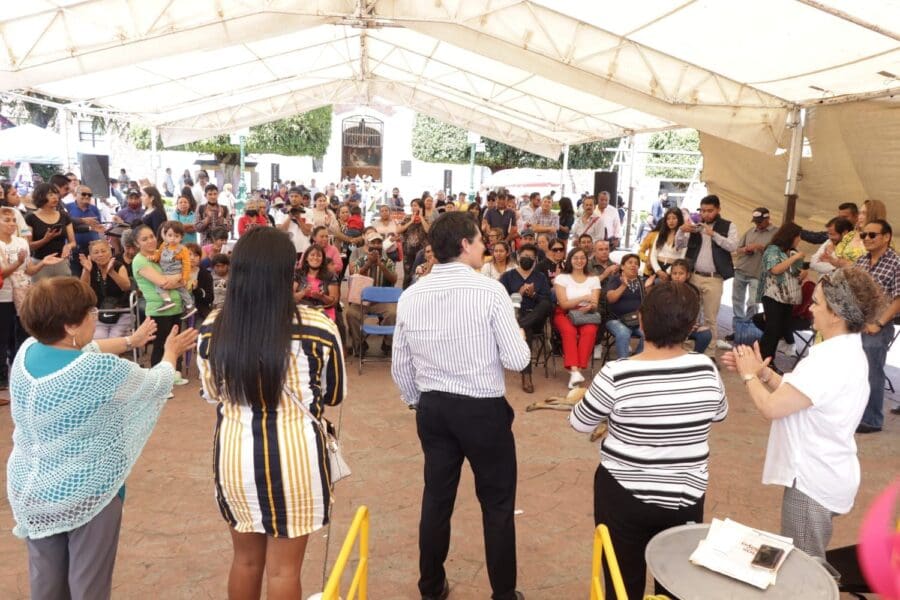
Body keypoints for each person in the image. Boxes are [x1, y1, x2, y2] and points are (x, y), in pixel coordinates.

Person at [6, 277, 196, 600]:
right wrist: (170, 353)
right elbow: (157, 383)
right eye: (90, 313)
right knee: (88, 585)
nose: (95, 317)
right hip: (86, 491)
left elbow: (86, 349)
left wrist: (131, 341)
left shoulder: (27, 352)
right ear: (70, 325)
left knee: (46, 583)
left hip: (31, 491)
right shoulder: (100, 371)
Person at [196, 227, 345, 600]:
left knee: (245, 562)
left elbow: (212, 393)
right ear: (286, 273)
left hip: (235, 455)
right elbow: (334, 394)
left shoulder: (212, 327)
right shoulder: (319, 327)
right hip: (297, 459)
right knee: (284, 571)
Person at [392, 211, 530, 600]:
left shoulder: (412, 294)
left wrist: (417, 401)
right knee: (497, 504)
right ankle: (504, 594)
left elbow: (400, 365)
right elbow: (517, 359)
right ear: (465, 244)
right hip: (483, 410)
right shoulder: (490, 291)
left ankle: (430, 587)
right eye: (480, 240)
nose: (485, 246)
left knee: (437, 499)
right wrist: (519, 336)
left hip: (434, 409)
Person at [570, 282, 727, 600]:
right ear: (691, 327)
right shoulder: (707, 369)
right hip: (686, 497)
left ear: (640, 320)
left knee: (623, 582)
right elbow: (719, 413)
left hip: (624, 496)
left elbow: (579, 422)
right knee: (675, 583)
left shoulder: (616, 373)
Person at [723, 267, 884, 558]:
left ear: (836, 314)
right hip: (827, 472)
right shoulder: (846, 351)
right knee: (805, 558)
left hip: (813, 482)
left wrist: (748, 375)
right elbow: (802, 395)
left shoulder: (829, 359)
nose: (810, 308)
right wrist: (763, 374)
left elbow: (772, 407)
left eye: (817, 302)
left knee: (804, 566)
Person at [854, 219, 900, 432]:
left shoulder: (896, 263)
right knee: (855, 370)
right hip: (857, 323)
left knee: (872, 371)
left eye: (872, 235)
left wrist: (879, 324)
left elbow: (898, 299)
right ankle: (853, 414)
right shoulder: (861, 261)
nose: (866, 239)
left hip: (878, 327)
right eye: (864, 235)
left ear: (887, 237)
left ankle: (872, 420)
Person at [677, 194, 738, 353]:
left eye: (710, 211)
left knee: (710, 318)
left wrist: (714, 235)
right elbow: (679, 245)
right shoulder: (696, 226)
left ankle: (709, 353)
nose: (705, 214)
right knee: (691, 315)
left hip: (714, 278)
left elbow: (733, 246)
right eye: (703, 210)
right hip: (694, 275)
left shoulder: (728, 226)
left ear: (718, 209)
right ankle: (688, 351)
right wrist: (681, 231)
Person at [131, 224, 186, 366]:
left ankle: (176, 374)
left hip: (176, 307)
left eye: (151, 236)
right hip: (159, 310)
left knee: (175, 347)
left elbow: (182, 271)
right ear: (137, 243)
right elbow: (163, 283)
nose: (150, 241)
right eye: (144, 239)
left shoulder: (160, 254)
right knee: (161, 347)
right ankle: (159, 377)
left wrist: (179, 278)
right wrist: (180, 278)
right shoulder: (139, 260)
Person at [500, 243, 552, 394]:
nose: (527, 259)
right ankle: (526, 376)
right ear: (518, 257)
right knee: (526, 329)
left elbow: (546, 299)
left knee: (546, 305)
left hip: (535, 317)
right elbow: (500, 299)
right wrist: (519, 293)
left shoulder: (540, 277)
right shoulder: (508, 276)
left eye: (530, 257)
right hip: (515, 315)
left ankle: (519, 326)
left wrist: (533, 294)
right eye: (524, 256)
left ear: (535, 260)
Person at [757, 222, 807, 363]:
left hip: (788, 297)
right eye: (798, 236)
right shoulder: (772, 250)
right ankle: (764, 360)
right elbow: (775, 269)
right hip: (773, 295)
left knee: (779, 329)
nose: (800, 239)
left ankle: (767, 360)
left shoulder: (792, 251)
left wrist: (802, 273)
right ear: (791, 236)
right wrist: (794, 258)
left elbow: (795, 272)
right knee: (772, 329)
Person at [553, 248, 601, 388]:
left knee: (590, 331)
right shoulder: (562, 278)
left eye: (582, 258)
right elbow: (564, 304)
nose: (579, 261)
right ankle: (574, 370)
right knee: (570, 332)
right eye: (575, 258)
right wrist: (583, 298)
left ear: (587, 260)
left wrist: (591, 306)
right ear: (570, 260)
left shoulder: (594, 279)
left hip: (587, 314)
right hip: (564, 313)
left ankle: (576, 372)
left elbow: (595, 303)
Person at [730, 207, 777, 344]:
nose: (757, 224)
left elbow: (777, 254)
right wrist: (746, 249)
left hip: (759, 274)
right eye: (755, 222)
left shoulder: (776, 233)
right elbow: (737, 250)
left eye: (760, 222)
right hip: (741, 269)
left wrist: (760, 247)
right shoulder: (750, 231)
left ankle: (747, 329)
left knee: (753, 303)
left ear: (768, 219)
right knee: (737, 301)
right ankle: (737, 330)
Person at [346, 231, 397, 355]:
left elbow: (394, 279)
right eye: (373, 242)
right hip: (362, 301)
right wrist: (368, 264)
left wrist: (381, 265)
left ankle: (387, 344)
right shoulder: (360, 260)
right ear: (368, 244)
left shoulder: (388, 262)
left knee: (392, 313)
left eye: (379, 243)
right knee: (351, 314)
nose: (376, 245)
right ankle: (360, 344)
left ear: (381, 245)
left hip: (382, 301)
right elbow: (354, 276)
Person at [78, 239, 133, 340]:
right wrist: (86, 271)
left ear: (110, 252)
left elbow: (126, 287)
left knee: (115, 339)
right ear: (91, 256)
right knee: (98, 339)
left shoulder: (119, 266)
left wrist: (111, 272)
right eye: (96, 252)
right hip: (98, 313)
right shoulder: (89, 266)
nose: (100, 255)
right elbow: (83, 290)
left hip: (121, 312)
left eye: (103, 251)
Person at [25, 183, 77, 280]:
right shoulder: (30, 218)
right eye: (50, 194)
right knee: (41, 289)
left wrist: (68, 246)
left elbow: (73, 242)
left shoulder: (64, 215)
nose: (55, 197)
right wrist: (45, 239)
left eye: (56, 194)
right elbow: (28, 245)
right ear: (40, 196)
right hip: (40, 263)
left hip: (61, 262)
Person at [151, 221, 197, 317]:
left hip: (175, 274)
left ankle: (168, 301)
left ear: (181, 237)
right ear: (165, 235)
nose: (173, 238)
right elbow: (158, 255)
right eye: (170, 235)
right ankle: (189, 306)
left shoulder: (183, 249)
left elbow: (187, 265)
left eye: (176, 236)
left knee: (160, 285)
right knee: (181, 289)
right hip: (166, 272)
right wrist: (154, 257)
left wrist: (185, 278)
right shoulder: (163, 245)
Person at [605, 253, 646, 359]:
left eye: (636, 263)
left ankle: (636, 360)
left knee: (651, 333)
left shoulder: (641, 282)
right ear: (622, 266)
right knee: (623, 333)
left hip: (636, 320)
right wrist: (623, 285)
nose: (633, 265)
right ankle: (623, 363)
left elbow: (645, 304)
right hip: (616, 319)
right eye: (630, 262)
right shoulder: (615, 279)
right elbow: (611, 299)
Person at [669, 259, 712, 354]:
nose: (677, 276)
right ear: (670, 274)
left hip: (686, 325)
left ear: (688, 275)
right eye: (674, 273)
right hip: (668, 326)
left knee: (705, 334)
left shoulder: (693, 290)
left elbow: (694, 311)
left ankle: (695, 357)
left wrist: (692, 324)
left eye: (681, 273)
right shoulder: (665, 289)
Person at [294, 245, 339, 321]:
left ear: (323, 259)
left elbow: (334, 301)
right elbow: (290, 298)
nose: (315, 258)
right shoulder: (298, 274)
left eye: (319, 256)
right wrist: (303, 292)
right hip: (302, 311)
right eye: (312, 255)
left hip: (324, 312)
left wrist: (322, 297)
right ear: (306, 258)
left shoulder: (330, 276)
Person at [398, 198, 430, 288]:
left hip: (422, 252)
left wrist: (421, 217)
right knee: (408, 274)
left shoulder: (426, 219)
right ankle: (405, 292)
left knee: (420, 272)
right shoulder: (407, 218)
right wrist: (411, 221)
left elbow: (428, 231)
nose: (413, 207)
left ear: (421, 208)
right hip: (408, 251)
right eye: (412, 206)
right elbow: (398, 230)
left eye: (415, 205)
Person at [649, 207, 686, 282]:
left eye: (674, 218)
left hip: (674, 271)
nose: (671, 221)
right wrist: (658, 270)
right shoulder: (661, 234)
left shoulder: (684, 235)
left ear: (679, 219)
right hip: (657, 268)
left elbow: (682, 256)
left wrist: (669, 272)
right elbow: (653, 254)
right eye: (668, 219)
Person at [185, 243, 214, 323]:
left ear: (200, 258)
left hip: (199, 312)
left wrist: (197, 290)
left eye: (196, 255)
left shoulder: (205, 274)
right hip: (180, 312)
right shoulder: (176, 273)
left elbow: (210, 298)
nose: (192, 258)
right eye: (189, 254)